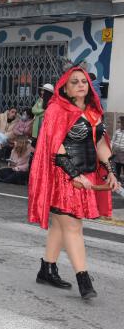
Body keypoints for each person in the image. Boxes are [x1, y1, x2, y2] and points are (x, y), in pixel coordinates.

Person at [29, 67, 119, 300]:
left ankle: (47, 269)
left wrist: (110, 171)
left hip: (85, 176)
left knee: (61, 225)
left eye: (84, 81)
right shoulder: (56, 110)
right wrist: (74, 175)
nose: (80, 85)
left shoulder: (92, 112)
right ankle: (84, 279)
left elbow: (99, 143)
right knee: (73, 227)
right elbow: (55, 149)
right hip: (64, 178)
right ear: (65, 89)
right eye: (74, 82)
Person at [111, 116, 124, 181]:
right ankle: (117, 180)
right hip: (117, 153)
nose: (120, 124)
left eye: (121, 122)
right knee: (117, 167)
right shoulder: (117, 132)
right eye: (120, 122)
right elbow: (113, 141)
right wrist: (111, 149)